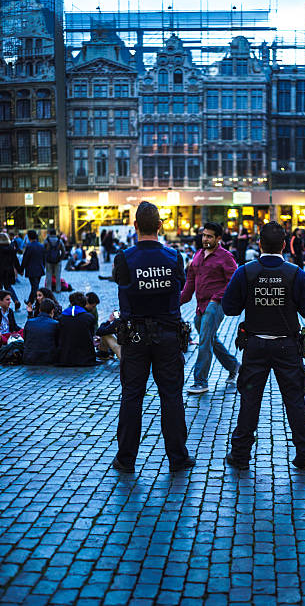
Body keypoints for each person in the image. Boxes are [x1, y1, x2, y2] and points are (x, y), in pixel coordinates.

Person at [222, 221, 305, 471]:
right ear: (285, 245)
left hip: (255, 345)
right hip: (287, 346)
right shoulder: (295, 273)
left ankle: (241, 454)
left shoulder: (245, 272)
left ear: (259, 244)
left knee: (249, 401)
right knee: (295, 400)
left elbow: (229, 307)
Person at [112, 201, 194, 473]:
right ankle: (178, 458)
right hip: (168, 334)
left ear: (135, 226)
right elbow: (180, 286)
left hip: (134, 335)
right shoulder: (174, 257)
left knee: (132, 396)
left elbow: (121, 284)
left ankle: (126, 459)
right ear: (160, 226)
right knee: (171, 396)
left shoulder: (124, 258)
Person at [181, 222, 240, 394]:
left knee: (204, 341)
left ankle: (201, 381)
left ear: (218, 239)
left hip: (216, 305)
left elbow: (233, 282)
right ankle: (234, 365)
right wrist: (177, 302)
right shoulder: (198, 255)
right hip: (201, 306)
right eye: (204, 235)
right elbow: (190, 283)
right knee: (210, 339)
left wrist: (216, 299)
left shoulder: (226, 257)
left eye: (209, 236)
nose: (205, 239)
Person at [56, 292, 97, 366]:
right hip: (85, 357)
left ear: (71, 303)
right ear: (84, 304)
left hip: (65, 357)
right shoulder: (89, 318)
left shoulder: (61, 318)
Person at [23, 298, 59, 365]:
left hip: (29, 358)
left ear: (39, 310)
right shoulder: (55, 324)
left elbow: (25, 339)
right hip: (48, 358)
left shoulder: (29, 322)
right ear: (52, 311)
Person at [21, 230, 45, 304]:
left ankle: (34, 301)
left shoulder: (29, 246)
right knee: (35, 286)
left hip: (31, 269)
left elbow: (25, 259)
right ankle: (32, 300)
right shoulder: (41, 246)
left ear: (29, 237)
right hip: (40, 269)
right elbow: (44, 258)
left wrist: (21, 269)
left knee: (34, 286)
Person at [0, 232, 21, 311]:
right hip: (9, 270)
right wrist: (19, 270)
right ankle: (16, 300)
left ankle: (2, 303)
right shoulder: (11, 248)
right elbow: (15, 260)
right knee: (8, 287)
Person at [43, 228, 65, 293]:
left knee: (48, 274)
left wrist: (45, 258)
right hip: (57, 260)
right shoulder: (59, 240)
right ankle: (58, 289)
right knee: (58, 275)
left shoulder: (46, 240)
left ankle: (49, 289)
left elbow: (43, 250)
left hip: (48, 260)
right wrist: (60, 258)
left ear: (49, 233)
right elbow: (63, 250)